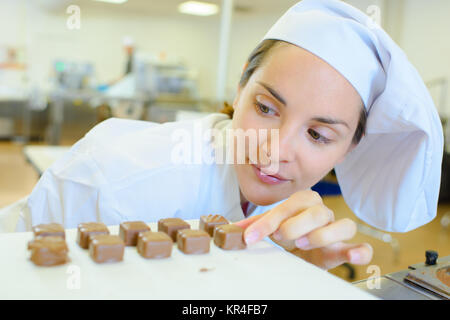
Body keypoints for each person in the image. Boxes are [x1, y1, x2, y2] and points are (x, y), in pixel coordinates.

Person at [15, 0, 443, 271]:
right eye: (265, 108)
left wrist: (288, 278)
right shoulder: (117, 181)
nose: (274, 153)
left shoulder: (282, 216)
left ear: (350, 148)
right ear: (240, 87)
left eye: (317, 134)